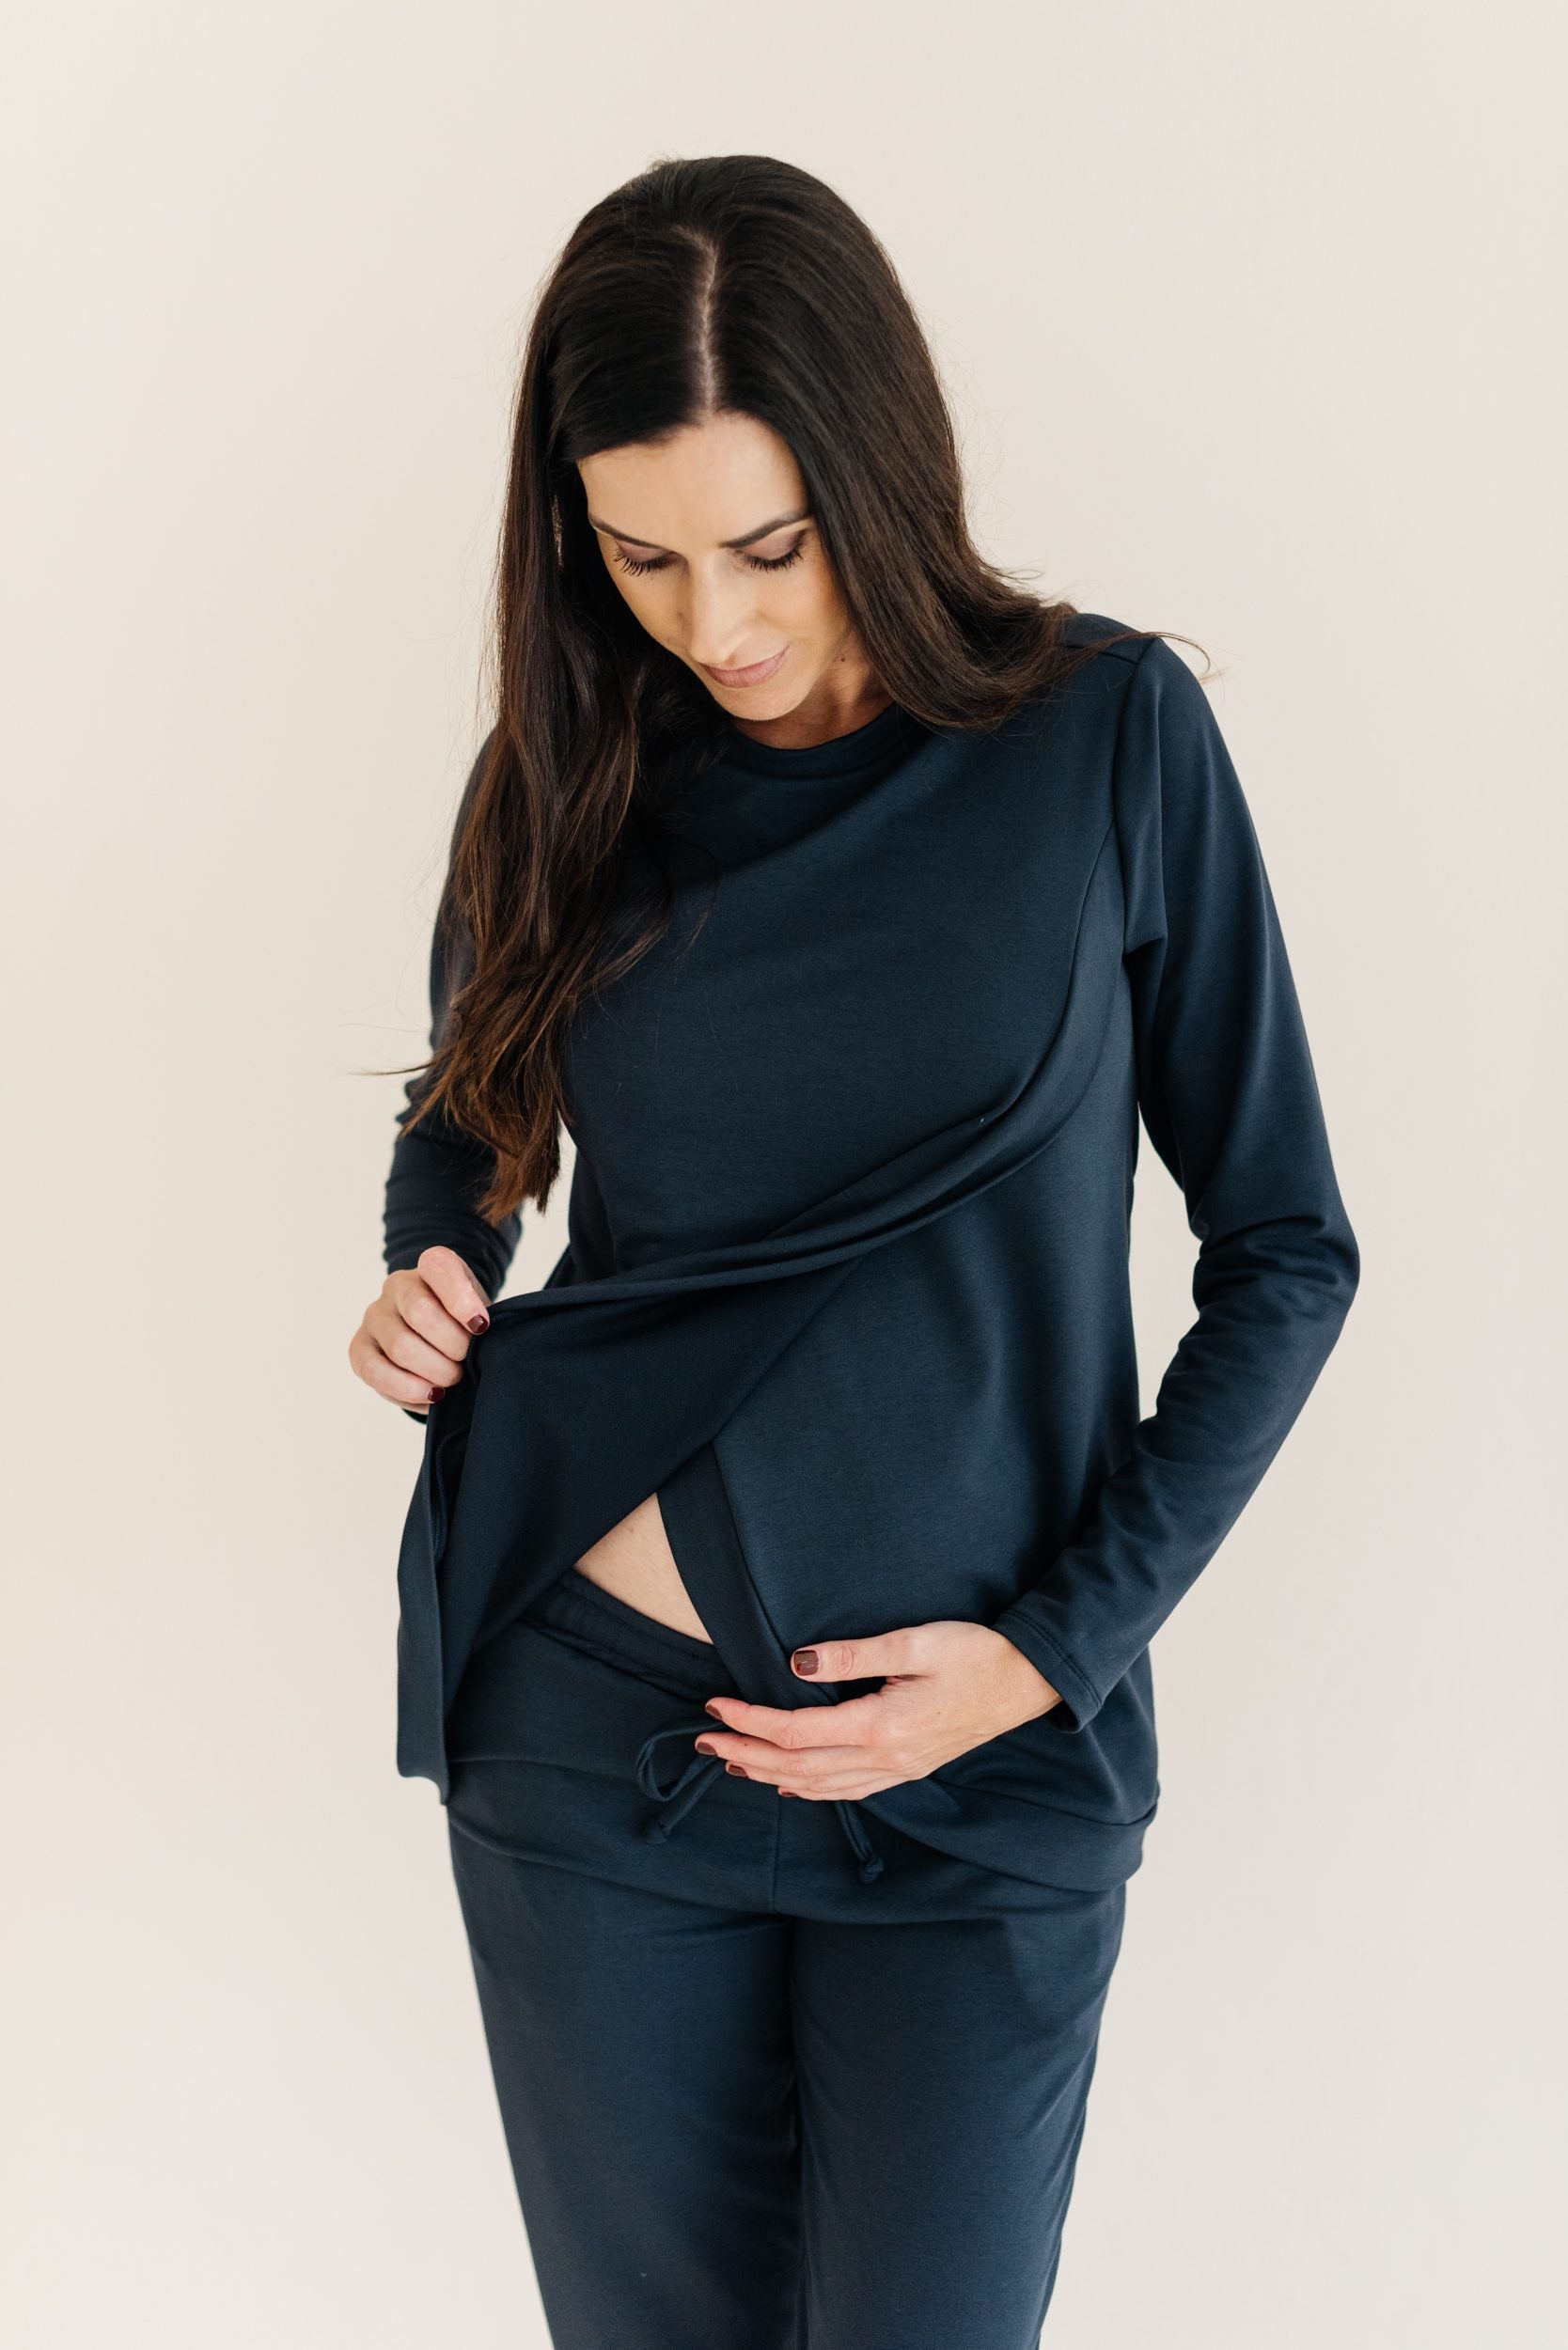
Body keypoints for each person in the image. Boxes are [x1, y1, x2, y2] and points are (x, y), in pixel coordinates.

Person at [347, 153, 1360, 2350]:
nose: (713, 623)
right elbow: (475, 1113)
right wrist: (435, 1258)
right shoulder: (564, 772)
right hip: (593, 1743)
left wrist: (1051, 1649)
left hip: (985, 1766)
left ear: (876, 477)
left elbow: (1288, 1246)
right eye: (641, 557)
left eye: (769, 546)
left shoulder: (1109, 739)